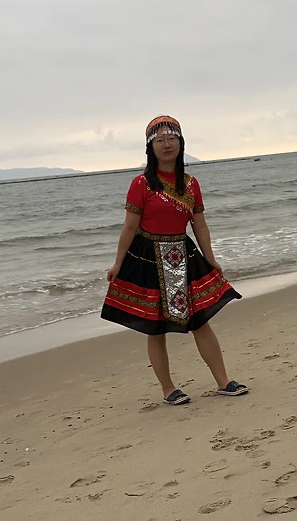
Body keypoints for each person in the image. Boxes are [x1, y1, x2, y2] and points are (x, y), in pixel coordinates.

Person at [101, 115, 247, 405]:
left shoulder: (191, 184)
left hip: (184, 256)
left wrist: (211, 258)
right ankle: (168, 389)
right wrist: (118, 263)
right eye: (160, 140)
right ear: (150, 147)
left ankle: (223, 381)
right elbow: (129, 227)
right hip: (147, 259)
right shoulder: (141, 184)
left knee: (200, 322)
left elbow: (199, 225)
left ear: (181, 143)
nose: (166, 144)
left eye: (171, 138)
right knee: (154, 328)